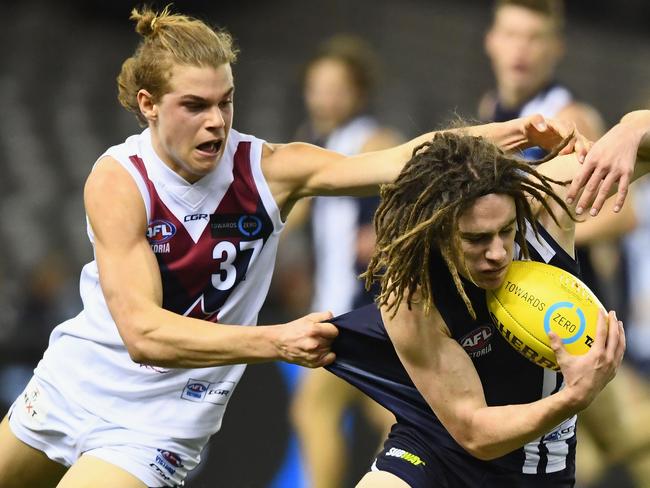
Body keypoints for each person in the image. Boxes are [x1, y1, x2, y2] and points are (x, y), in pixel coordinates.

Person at [0, 6, 579, 488]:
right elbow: (142, 335)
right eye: (194, 106)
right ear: (149, 105)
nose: (216, 123)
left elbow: (403, 159)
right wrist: (276, 340)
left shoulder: (270, 169)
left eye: (225, 102)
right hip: (71, 383)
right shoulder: (120, 179)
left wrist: (513, 136)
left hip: (157, 422)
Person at [325, 112, 650, 487]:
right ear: (440, 229)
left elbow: (641, 147)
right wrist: (574, 397)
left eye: (506, 231)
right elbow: (474, 430)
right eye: (476, 239)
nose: (497, 252)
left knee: (617, 445)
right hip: (437, 450)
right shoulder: (411, 295)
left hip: (532, 465)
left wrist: (631, 132)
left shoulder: (546, 202)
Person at [480, 2, 646, 483]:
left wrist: (532, 231)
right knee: (582, 455)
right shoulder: (495, 111)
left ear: (556, 48)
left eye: (535, 38)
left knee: (613, 442)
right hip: (523, 309)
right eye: (512, 34)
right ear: (491, 40)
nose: (521, 50)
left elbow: (622, 213)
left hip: (569, 313)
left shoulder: (567, 115)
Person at [288, 34, 399, 488]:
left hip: (366, 302)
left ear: (358, 92)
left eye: (336, 87)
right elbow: (287, 216)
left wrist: (388, 234)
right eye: (317, 86)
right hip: (334, 300)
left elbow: (419, 198)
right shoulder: (310, 143)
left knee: (316, 408)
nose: (324, 97)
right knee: (391, 413)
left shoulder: (375, 139)